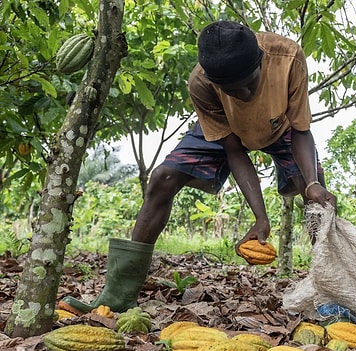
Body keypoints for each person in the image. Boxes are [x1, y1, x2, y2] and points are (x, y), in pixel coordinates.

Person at [61, 21, 337, 314]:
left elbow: (301, 130)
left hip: (281, 128)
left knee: (316, 198)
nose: (243, 95)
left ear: (261, 62)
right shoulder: (201, 83)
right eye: (232, 91)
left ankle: (331, 295)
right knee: (162, 178)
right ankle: (118, 294)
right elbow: (234, 149)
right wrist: (260, 218)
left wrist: (311, 184)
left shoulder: (288, 57)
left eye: (249, 84)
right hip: (227, 130)